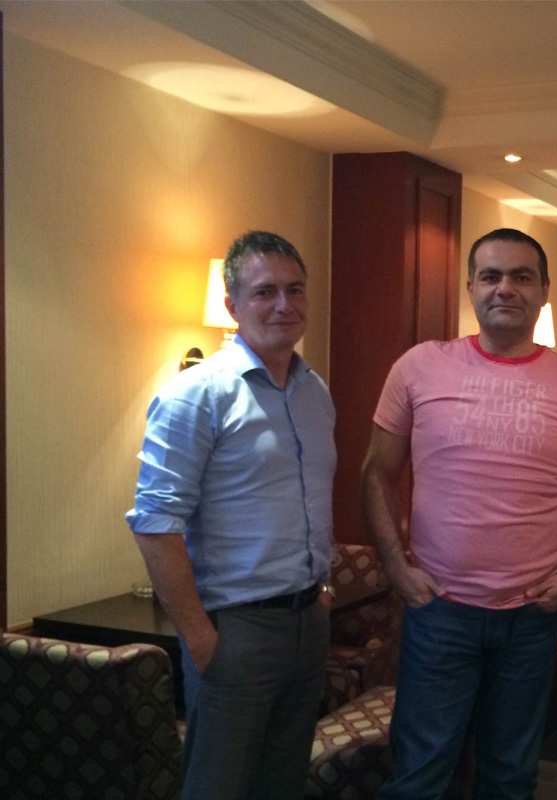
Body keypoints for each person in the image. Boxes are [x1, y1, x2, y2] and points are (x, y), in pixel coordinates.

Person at [364, 228, 557, 800]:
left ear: (544, 290)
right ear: (471, 287)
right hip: (440, 609)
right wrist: (396, 568)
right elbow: (376, 473)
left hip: (533, 615)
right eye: (492, 276)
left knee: (511, 776)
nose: (506, 288)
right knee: (419, 775)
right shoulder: (419, 367)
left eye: (522, 276)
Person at [126, 230, 336, 800]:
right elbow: (155, 523)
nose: (284, 304)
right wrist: (200, 638)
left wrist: (320, 592)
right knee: (218, 787)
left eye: (296, 289)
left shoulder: (315, 393)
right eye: (265, 292)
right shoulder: (196, 395)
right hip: (235, 631)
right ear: (233, 305)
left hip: (307, 622)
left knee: (282, 784)